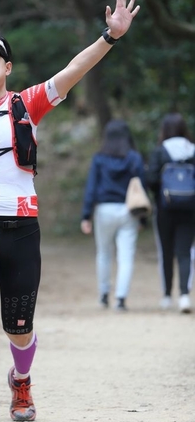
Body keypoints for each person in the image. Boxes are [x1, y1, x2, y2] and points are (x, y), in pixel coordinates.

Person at [0, 0, 140, 422]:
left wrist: (110, 36)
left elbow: (73, 70)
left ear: (7, 68)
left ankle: (21, 381)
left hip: (23, 231)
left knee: (19, 328)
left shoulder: (26, 104)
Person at [80, 120, 146, 311]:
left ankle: (103, 295)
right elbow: (141, 189)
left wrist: (86, 216)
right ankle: (121, 299)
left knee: (103, 253)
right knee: (126, 256)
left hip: (104, 210)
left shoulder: (99, 158)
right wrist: (142, 218)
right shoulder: (134, 158)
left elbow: (91, 187)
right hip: (128, 211)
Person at [146, 113, 195, 313]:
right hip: (190, 209)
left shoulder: (160, 151)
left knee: (166, 252)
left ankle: (167, 295)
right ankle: (184, 295)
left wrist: (161, 193)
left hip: (165, 209)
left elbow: (151, 179)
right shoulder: (192, 150)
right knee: (184, 252)